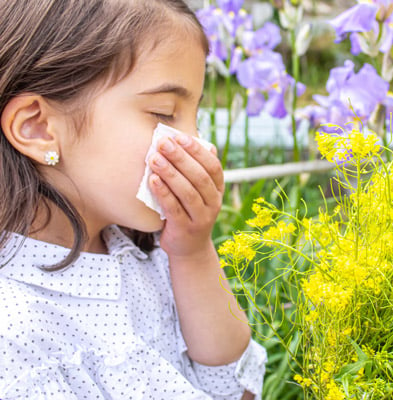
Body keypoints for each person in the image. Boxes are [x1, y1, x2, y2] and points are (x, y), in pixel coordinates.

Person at [0, 1, 266, 399]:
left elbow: (235, 388)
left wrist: (193, 252)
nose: (198, 144)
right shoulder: (15, 329)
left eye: (197, 116)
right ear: (38, 128)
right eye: (163, 113)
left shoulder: (144, 255)